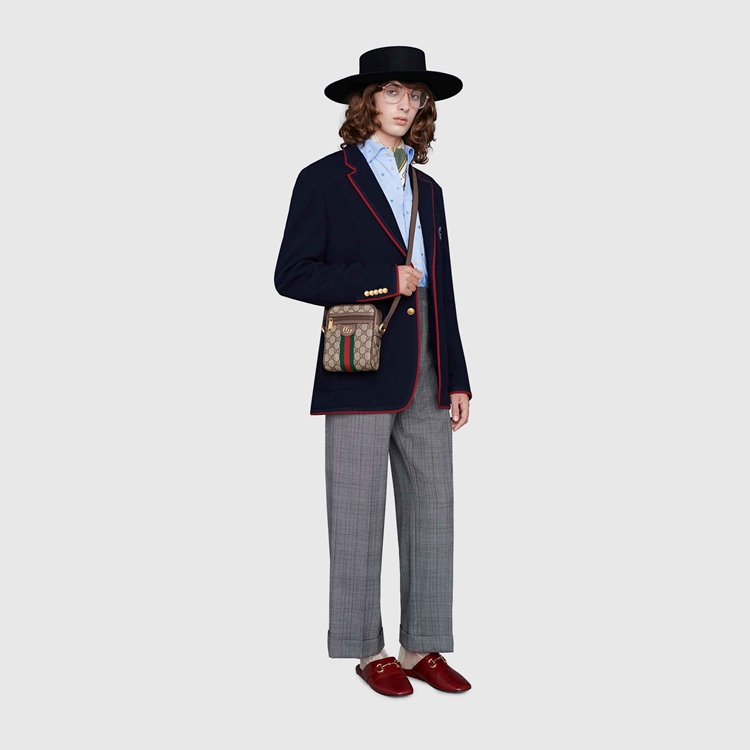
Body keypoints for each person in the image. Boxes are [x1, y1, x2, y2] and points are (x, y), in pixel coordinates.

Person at [274, 46, 473, 697]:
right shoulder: (324, 179)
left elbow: (443, 288)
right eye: (392, 91)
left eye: (414, 95)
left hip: (427, 360)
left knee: (433, 507)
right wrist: (382, 279)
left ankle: (422, 645)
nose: (405, 104)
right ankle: (366, 649)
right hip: (359, 353)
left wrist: (458, 376)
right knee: (357, 508)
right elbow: (292, 275)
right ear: (367, 101)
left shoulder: (429, 191)